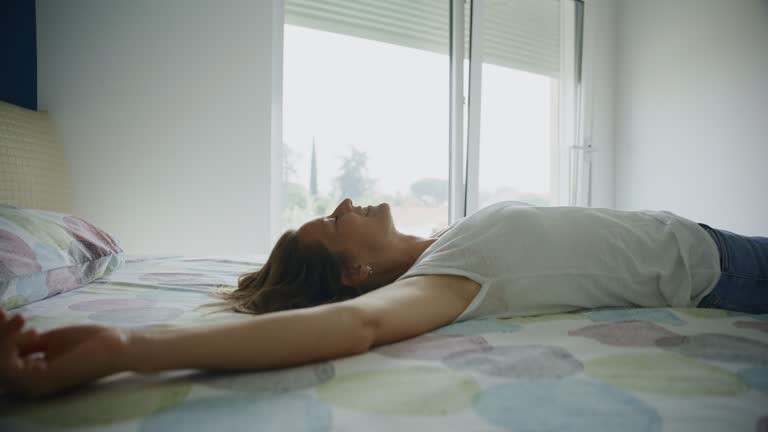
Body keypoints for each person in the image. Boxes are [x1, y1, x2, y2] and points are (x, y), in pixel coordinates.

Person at [1, 198, 766, 399]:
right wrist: (130, 350)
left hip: (708, 240)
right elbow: (357, 327)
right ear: (356, 272)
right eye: (334, 222)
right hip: (724, 272)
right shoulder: (444, 281)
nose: (345, 202)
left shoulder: (446, 248)